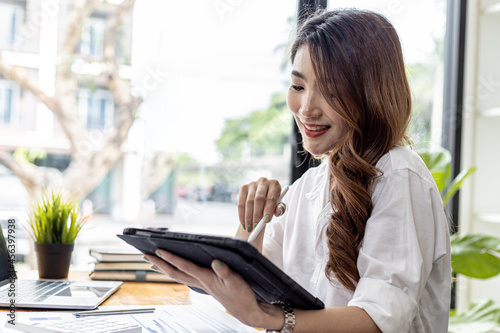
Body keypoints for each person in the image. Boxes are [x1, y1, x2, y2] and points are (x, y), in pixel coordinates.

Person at [146, 8, 451, 333]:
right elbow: (251, 290)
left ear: (370, 93)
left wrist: (268, 318)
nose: (306, 109)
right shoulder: (310, 184)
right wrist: (253, 222)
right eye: (298, 86)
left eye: (332, 90)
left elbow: (378, 319)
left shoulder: (398, 173)